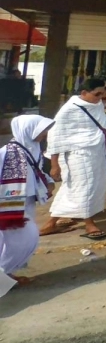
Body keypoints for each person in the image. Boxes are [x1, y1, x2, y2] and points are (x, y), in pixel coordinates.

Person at [42, 77, 106, 240]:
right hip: (77, 155)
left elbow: (103, 124)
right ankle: (89, 224)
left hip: (96, 153)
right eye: (97, 94)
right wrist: (54, 165)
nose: (100, 98)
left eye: (102, 94)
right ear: (84, 93)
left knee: (82, 188)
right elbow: (55, 137)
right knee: (83, 189)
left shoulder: (98, 105)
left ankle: (51, 223)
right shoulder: (69, 109)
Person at [1, 114, 55, 297]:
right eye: (41, 130)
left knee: (14, 243)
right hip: (9, 206)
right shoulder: (7, 153)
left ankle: (5, 276)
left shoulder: (34, 149)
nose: (45, 134)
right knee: (21, 238)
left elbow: (37, 170)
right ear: (27, 129)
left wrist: (47, 182)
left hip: (27, 202)